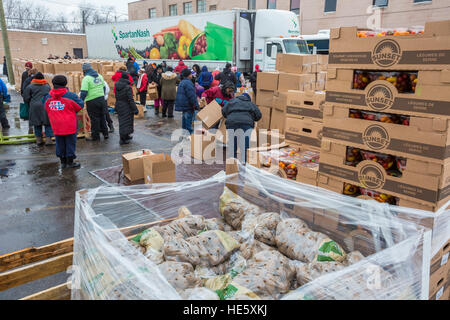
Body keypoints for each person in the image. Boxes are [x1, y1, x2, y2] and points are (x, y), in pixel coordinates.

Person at [44, 75, 84, 169]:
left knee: (59, 142)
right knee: (70, 142)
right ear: (65, 84)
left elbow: (46, 108)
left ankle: (62, 162)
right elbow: (80, 105)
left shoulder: (48, 96)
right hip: (69, 123)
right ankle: (70, 162)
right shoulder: (71, 96)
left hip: (56, 124)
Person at [222, 93, 262, 163]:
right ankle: (244, 164)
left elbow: (223, 111)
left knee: (232, 144)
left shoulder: (231, 102)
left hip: (232, 123)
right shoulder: (250, 104)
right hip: (246, 125)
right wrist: (251, 118)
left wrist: (230, 116)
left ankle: (232, 165)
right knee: (245, 145)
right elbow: (258, 115)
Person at [23, 72, 53, 146]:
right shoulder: (47, 86)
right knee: (47, 123)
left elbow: (26, 98)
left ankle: (39, 140)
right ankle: (48, 139)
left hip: (34, 107)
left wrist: (30, 101)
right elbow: (51, 95)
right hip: (46, 105)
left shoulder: (30, 86)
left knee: (37, 124)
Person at [80, 62, 108, 141]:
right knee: (102, 116)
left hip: (92, 101)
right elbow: (104, 88)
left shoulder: (86, 78)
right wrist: (101, 96)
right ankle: (105, 133)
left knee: (94, 119)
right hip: (101, 99)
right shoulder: (99, 76)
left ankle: (95, 136)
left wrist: (80, 101)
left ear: (84, 70)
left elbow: (84, 92)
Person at [115, 72, 139, 145]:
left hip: (119, 104)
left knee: (124, 121)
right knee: (125, 122)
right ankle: (122, 140)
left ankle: (126, 136)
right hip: (126, 106)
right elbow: (130, 99)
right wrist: (135, 109)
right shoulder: (128, 87)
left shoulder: (116, 85)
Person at [175, 68, 199, 136]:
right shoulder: (188, 83)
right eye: (191, 74)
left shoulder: (182, 82)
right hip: (188, 106)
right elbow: (192, 96)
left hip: (183, 106)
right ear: (188, 75)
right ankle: (190, 138)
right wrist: (196, 105)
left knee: (184, 123)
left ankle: (184, 136)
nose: (192, 75)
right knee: (188, 124)